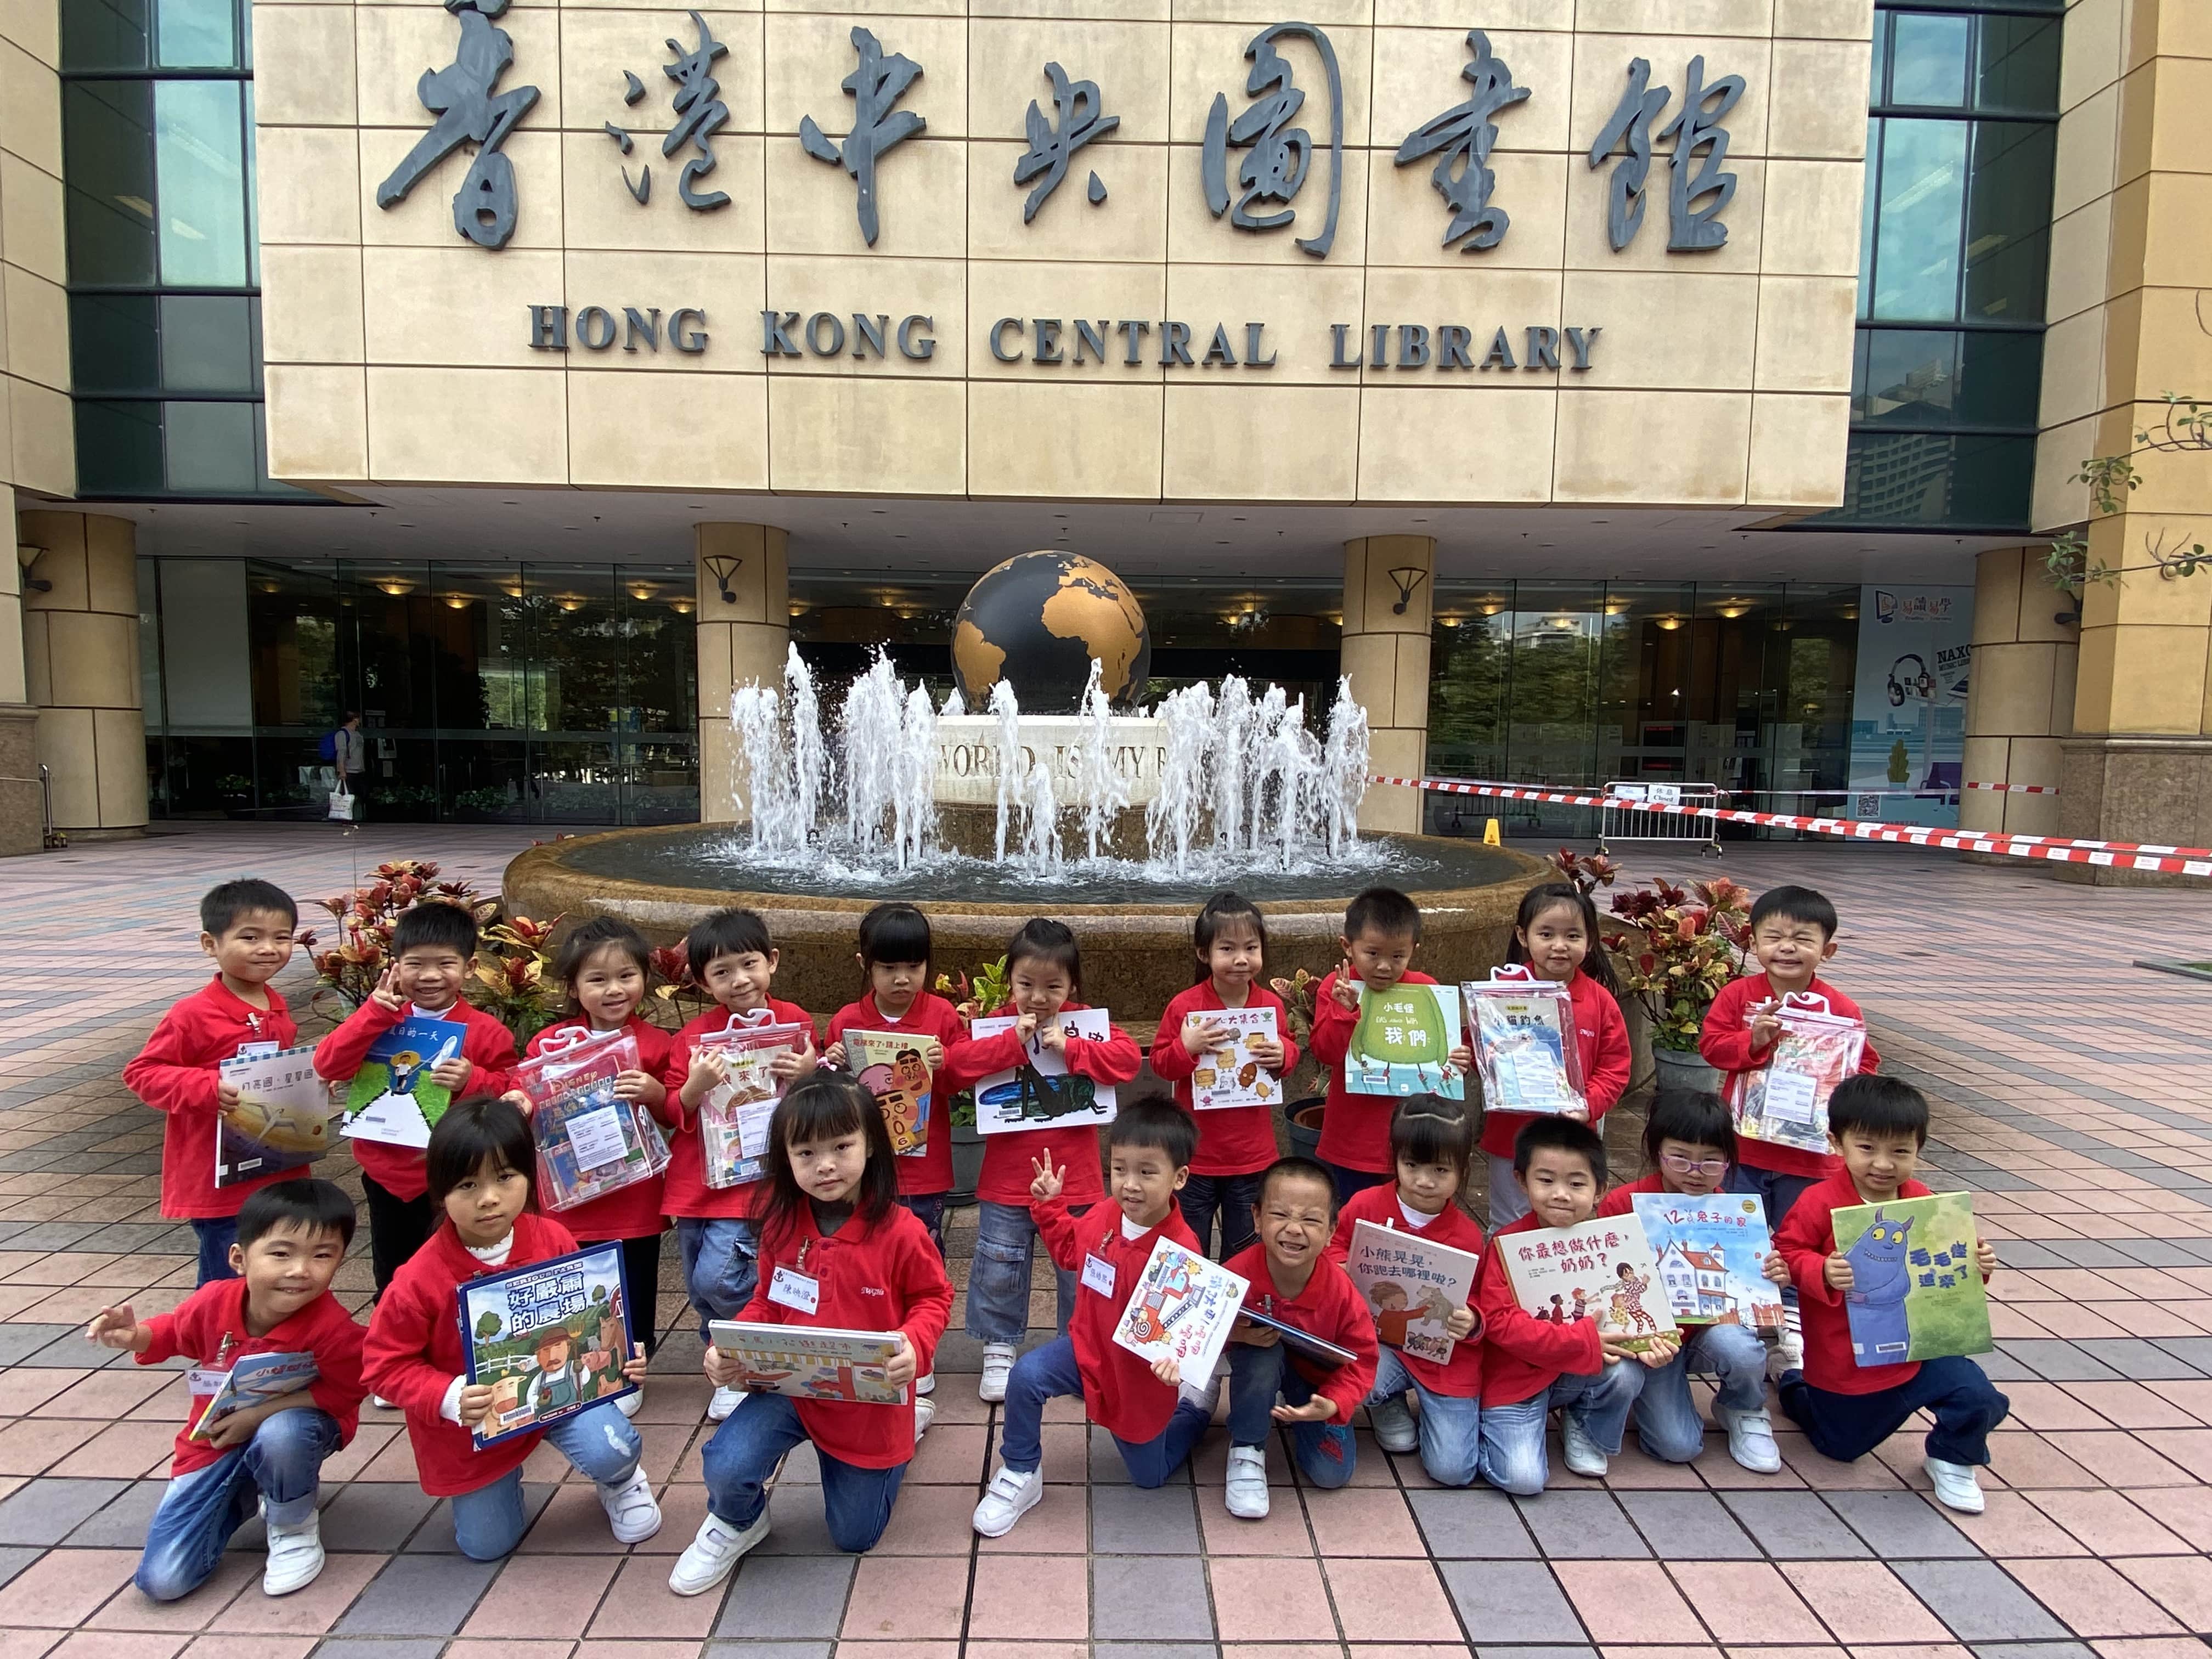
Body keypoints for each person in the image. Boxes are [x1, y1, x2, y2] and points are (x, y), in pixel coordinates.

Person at [670, 1077, 952, 1591]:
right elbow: (766, 1301)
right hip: (792, 1389)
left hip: (869, 1401)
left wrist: (915, 1343)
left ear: (872, 1145)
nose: (825, 1165)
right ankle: (738, 1522)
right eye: (806, 1153)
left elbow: (933, 1298)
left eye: (842, 1147)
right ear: (785, 1159)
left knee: (854, 1536)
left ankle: (907, 1423)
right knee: (727, 1463)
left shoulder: (902, 1231)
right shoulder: (781, 1225)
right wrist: (727, 1346)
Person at [362, 1099, 659, 1559]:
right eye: (467, 1184)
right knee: (487, 1546)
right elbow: (382, 1365)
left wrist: (622, 1354)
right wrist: (447, 1396)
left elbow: (588, 1315)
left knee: (612, 1447)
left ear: (529, 1176)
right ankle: (502, 1483)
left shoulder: (553, 1238)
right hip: (476, 1420)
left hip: (561, 1392)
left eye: (505, 1177)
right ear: (439, 1191)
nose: (488, 1198)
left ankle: (622, 1481)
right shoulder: (418, 1279)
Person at [89, 1179, 365, 1602]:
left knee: (282, 1434)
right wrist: (135, 1335)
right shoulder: (214, 1301)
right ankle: (246, 1492)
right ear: (239, 1258)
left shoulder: (334, 1330)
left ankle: (292, 1524)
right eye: (281, 1253)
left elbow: (346, 1393)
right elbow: (174, 1332)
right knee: (163, 1581)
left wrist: (257, 1416)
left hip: (294, 1431)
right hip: (213, 1440)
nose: (300, 1270)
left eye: (322, 1255)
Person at [970, 1097, 1212, 1537]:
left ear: (1179, 1178)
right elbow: (1070, 1252)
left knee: (1150, 1475)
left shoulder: (1182, 1253)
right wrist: (1050, 1207)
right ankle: (1020, 1470)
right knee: (1025, 1378)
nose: (1130, 1185)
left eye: (1147, 1172)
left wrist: (1180, 1364)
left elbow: (1188, 1329)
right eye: (1119, 1169)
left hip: (1136, 1377)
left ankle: (1195, 1409)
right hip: (1087, 1350)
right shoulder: (1104, 1214)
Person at [1775, 1076, 2006, 1514]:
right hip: (1847, 1362)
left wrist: (1977, 1266)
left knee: (1978, 1396)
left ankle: (1953, 1459)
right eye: (1867, 1148)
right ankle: (1793, 1382)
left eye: (1900, 1151)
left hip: (1917, 1350)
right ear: (1836, 1143)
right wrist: (1820, 1269)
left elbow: (1943, 1262)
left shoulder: (1922, 1200)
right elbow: (1786, 1251)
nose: (1883, 1164)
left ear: (1919, 1149)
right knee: (1839, 1446)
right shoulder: (1818, 1201)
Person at [937, 918, 1141, 1404]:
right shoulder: (997, 1024)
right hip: (1007, 1177)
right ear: (1010, 981)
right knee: (999, 1262)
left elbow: (1129, 1060)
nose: (1038, 997)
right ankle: (999, 1347)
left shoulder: (1083, 1023)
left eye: (1053, 986)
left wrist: (1073, 1048)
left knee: (1080, 1267)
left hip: (1077, 1178)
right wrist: (1009, 1042)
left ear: (1073, 986)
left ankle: (1078, 1347)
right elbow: (954, 1067)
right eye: (1026, 984)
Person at [504, 916, 675, 1419]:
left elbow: (676, 1112)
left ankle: (630, 1368)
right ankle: (577, 1370)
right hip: (570, 1196)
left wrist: (656, 1093)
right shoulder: (549, 1045)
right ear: (574, 987)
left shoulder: (657, 1044)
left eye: (626, 976)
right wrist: (519, 1101)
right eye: (597, 979)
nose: (614, 989)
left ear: (645, 978)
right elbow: (524, 1094)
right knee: (573, 1284)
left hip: (634, 1197)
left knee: (635, 1285)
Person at [314, 901, 519, 1301]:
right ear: (396, 967)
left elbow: (511, 1089)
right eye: (415, 964)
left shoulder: (486, 1031)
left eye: (445, 964)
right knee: (394, 1273)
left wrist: (473, 1079)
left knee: (458, 1269)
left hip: (456, 1174)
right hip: (387, 1175)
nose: (429, 976)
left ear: (470, 968)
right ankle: (395, 1328)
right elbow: (327, 1064)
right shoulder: (380, 1020)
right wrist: (371, 1014)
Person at [663, 906, 820, 1421]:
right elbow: (672, 1109)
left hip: (754, 1183)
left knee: (718, 1279)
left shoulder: (794, 1021)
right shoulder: (692, 1039)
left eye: (749, 964)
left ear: (771, 961)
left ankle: (742, 1356)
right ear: (702, 982)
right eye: (722, 972)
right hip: (697, 1185)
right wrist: (695, 1086)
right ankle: (724, 1363)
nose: (739, 980)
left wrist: (809, 1070)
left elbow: (816, 1100)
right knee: (698, 1285)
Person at [1475, 1118, 1678, 1493]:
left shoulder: (1617, 1244)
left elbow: (1635, 1315)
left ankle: (1586, 1424)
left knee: (1626, 1373)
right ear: (1521, 1180)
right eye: (1546, 1180)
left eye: (1577, 1184)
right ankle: (1485, 1435)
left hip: (1577, 1371)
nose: (1561, 1195)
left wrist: (1654, 1344)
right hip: (1518, 1379)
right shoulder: (1507, 1244)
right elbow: (1499, 1323)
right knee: (1523, 1480)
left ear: (1600, 1189)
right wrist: (1583, 1342)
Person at [822, 902, 966, 1433]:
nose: (902, 979)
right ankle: (872, 1336)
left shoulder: (942, 1017)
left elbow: (961, 1083)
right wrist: (831, 1062)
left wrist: (946, 1064)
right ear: (866, 964)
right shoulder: (847, 1021)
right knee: (865, 1254)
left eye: (914, 966)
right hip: (864, 1172)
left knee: (922, 1256)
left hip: (924, 1171)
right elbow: (830, 1096)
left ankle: (916, 1348)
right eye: (888, 968)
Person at [1596, 1089, 1788, 1473]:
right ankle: (1641, 1397)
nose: (1695, 1172)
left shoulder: (1735, 1214)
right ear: (1657, 1153)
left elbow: (1748, 1286)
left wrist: (1774, 1277)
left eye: (1711, 1161)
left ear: (1729, 1161)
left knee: (1739, 1346)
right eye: (1680, 1159)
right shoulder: (1623, 1203)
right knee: (1677, 1446)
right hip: (1653, 1341)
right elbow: (1606, 1280)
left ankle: (1744, 1408)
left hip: (1710, 1332)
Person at [125, 879, 305, 1285]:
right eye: (250, 937)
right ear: (211, 944)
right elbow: (143, 1072)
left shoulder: (276, 1006)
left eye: (282, 938)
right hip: (218, 1180)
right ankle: (216, 1330)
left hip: (274, 1167)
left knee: (271, 1273)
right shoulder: (192, 1014)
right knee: (226, 1281)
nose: (268, 948)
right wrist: (208, 1088)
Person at [1325, 1095, 1486, 1487]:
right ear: (1395, 1158)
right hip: (1379, 1343)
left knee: (1453, 1471)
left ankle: (1448, 1418)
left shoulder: (1468, 1235)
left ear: (1463, 1168)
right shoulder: (1366, 1205)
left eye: (1440, 1169)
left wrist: (1472, 1320)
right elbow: (1333, 1243)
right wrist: (1341, 1267)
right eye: (1412, 1165)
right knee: (1344, 1364)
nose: (1425, 1181)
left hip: (1442, 1360)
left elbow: (1482, 1299)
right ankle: (1386, 1401)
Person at [1699, 884, 1880, 1231]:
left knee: (1799, 1236)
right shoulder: (1738, 995)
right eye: (1773, 937)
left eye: (1803, 939)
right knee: (1738, 1235)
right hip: (1744, 1148)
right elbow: (1711, 1047)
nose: (1786, 947)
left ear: (1828, 950)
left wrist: (1837, 1079)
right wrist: (1753, 1040)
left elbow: (1865, 1065)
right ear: (1753, 944)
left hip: (1810, 1155)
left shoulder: (1841, 1010)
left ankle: (1795, 1271)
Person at [1221, 1156, 1378, 1518]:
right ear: (1257, 1217)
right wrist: (1237, 1333)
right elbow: (1202, 1332)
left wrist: (1334, 1403)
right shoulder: (1234, 1276)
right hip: (1259, 1363)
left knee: (1331, 1474)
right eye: (1280, 1215)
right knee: (1262, 1357)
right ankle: (1247, 1448)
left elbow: (1364, 1359)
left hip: (1316, 1382)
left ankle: (1292, 1408)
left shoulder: (1342, 1292)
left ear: (1331, 1230)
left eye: (1311, 1220)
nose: (1294, 1229)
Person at [1150, 890, 1299, 1260]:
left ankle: (1239, 1300)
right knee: (1189, 1248)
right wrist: (1187, 1048)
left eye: (1251, 948)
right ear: (1204, 953)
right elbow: (1160, 1064)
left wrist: (1285, 1054)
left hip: (1252, 1155)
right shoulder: (1186, 1007)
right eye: (1228, 949)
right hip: (1196, 1155)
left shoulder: (1270, 1005)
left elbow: (1288, 1052)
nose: (1241, 959)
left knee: (1244, 1251)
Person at [1306, 887, 1474, 1203]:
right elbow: (1325, 1052)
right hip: (1353, 1140)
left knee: (1411, 1219)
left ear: (1413, 950)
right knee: (1354, 1218)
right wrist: (1343, 1012)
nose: (1385, 966)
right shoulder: (1338, 988)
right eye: (1373, 954)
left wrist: (1457, 1060)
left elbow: (1441, 1055)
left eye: (1397, 956)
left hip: (1414, 1143)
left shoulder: (1427, 990)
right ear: (1348, 946)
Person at [1488, 882, 1631, 1227]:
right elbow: (1483, 1048)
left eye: (1573, 936)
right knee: (1507, 1223)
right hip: (1511, 1136)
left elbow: (1615, 1067)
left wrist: (1588, 1105)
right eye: (1546, 934)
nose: (1559, 946)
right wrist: (1469, 1053)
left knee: (1566, 1220)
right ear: (1523, 936)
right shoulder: (1502, 994)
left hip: (1571, 1140)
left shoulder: (1600, 1002)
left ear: (1590, 941)